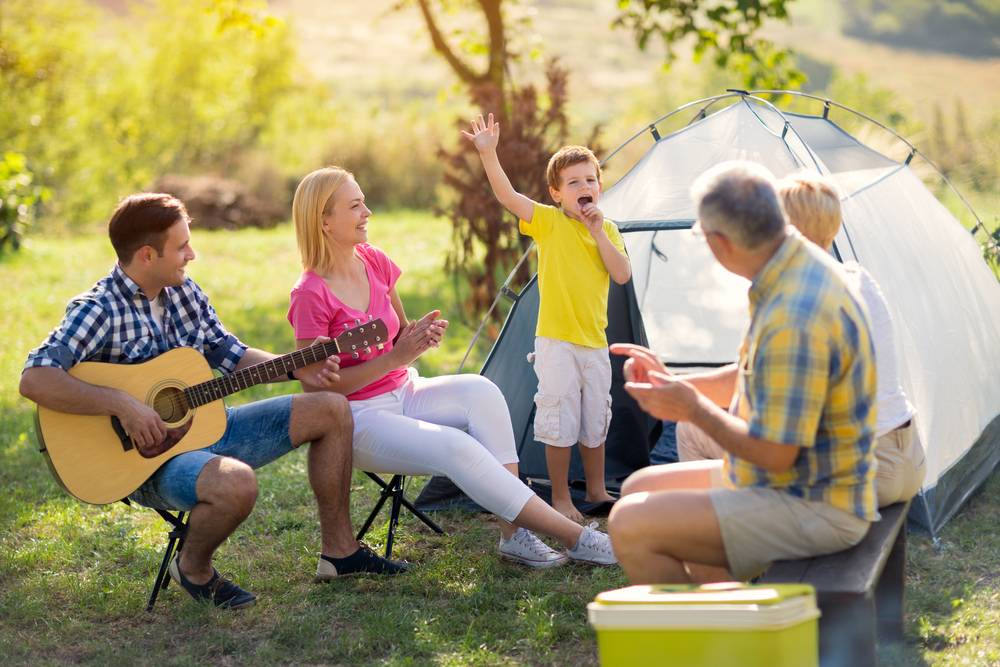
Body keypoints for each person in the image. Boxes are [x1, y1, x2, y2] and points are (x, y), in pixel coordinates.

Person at [19, 193, 406, 611]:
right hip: (148, 461)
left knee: (330, 407)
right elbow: (35, 379)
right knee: (236, 482)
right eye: (182, 246)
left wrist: (298, 366)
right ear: (148, 255)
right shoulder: (97, 310)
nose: (193, 254)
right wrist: (123, 405)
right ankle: (194, 569)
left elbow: (232, 355)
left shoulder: (183, 293)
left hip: (210, 428)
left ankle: (340, 552)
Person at [286, 166, 616, 569]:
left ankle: (514, 535)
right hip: (360, 419)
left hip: (404, 390)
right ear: (324, 220)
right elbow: (318, 394)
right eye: (355, 206)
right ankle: (576, 538)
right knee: (455, 446)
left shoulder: (373, 261)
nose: (368, 212)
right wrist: (395, 357)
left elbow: (400, 335)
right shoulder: (309, 294)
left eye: (364, 202)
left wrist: (418, 336)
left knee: (482, 391)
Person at [607, 161, 879, 584]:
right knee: (636, 489)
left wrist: (694, 409)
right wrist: (676, 385)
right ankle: (726, 613)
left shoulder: (794, 313)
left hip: (817, 501)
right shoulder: (790, 267)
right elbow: (756, 372)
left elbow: (775, 452)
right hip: (796, 480)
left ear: (719, 242)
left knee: (629, 524)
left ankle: (708, 646)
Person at [464, 113, 632, 522]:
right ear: (556, 194)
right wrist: (488, 153)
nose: (584, 188)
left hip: (593, 342)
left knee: (596, 418)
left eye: (590, 180)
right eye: (573, 183)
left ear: (600, 186)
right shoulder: (549, 223)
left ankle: (595, 490)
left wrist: (596, 232)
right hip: (556, 341)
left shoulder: (607, 230)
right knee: (559, 419)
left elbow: (622, 273)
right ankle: (560, 497)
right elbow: (508, 197)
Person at [778, 173, 925, 507]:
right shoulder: (859, 276)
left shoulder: (806, 294)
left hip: (867, 470)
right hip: (910, 457)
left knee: (700, 441)